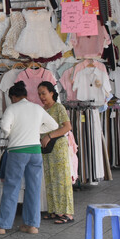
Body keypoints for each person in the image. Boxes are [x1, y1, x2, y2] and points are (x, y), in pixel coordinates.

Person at [0, 81, 58, 235]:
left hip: (18, 151)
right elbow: (53, 125)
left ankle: (2, 225)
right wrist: (35, 130)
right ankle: (32, 225)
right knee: (34, 188)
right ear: (25, 95)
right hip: (35, 151)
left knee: (12, 188)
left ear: (13, 97)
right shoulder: (37, 108)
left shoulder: (12, 108)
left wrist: (13, 133)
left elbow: (5, 127)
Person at [37, 82, 74, 224]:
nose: (41, 97)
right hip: (46, 149)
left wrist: (50, 136)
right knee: (50, 178)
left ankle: (67, 212)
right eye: (39, 94)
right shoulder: (41, 110)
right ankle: (54, 211)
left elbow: (67, 127)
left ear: (52, 93)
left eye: (44, 93)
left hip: (58, 148)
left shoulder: (59, 108)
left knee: (62, 179)